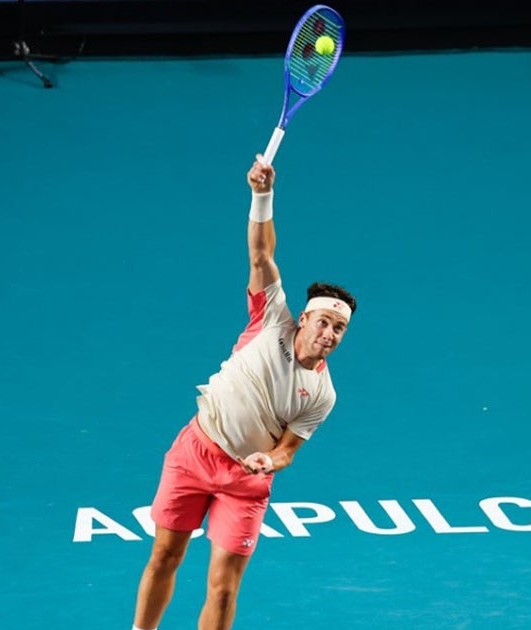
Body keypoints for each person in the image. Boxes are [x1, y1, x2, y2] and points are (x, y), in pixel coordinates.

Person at [131, 156, 357, 630]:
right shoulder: (271, 318)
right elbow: (261, 255)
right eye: (324, 321)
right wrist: (262, 193)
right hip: (195, 452)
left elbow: (288, 450)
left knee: (225, 585)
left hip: (245, 481)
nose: (330, 332)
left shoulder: (322, 394)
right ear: (305, 318)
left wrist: (266, 461)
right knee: (164, 557)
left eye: (340, 328)